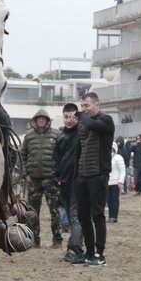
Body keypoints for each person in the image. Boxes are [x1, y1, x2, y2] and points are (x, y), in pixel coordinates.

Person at [72, 92, 114, 266]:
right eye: (82, 106)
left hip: (99, 174)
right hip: (82, 176)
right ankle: (88, 252)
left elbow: (93, 125)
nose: (84, 110)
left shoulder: (106, 120)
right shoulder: (83, 125)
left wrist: (81, 117)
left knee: (97, 215)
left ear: (97, 105)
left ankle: (100, 254)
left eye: (87, 106)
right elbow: (79, 150)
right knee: (83, 216)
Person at [21, 108, 61, 247]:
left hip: (51, 179)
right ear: (35, 120)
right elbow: (23, 155)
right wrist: (25, 173)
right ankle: (34, 239)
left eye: (44, 118)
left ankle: (57, 239)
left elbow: (61, 155)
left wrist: (58, 174)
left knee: (55, 210)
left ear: (48, 120)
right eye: (39, 118)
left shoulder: (56, 134)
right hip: (34, 179)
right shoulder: (29, 136)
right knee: (32, 211)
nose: (41, 120)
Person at [52, 103, 84, 263]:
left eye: (73, 117)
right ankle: (77, 245)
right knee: (72, 217)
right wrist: (55, 177)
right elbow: (55, 158)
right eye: (66, 116)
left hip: (78, 181)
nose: (69, 120)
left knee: (76, 216)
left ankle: (74, 249)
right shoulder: (60, 135)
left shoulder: (82, 133)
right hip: (62, 182)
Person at [106, 143, 125, 223]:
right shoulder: (105, 157)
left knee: (114, 200)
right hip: (106, 182)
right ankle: (110, 216)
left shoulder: (118, 157)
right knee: (108, 200)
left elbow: (122, 170)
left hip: (115, 182)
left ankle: (114, 216)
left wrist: (120, 181)